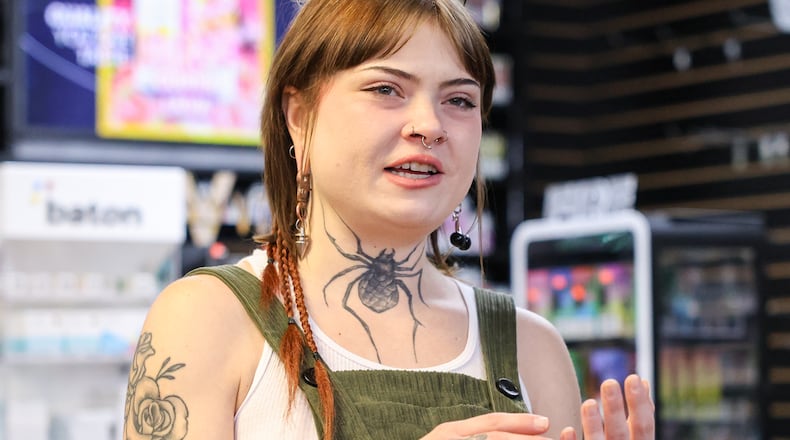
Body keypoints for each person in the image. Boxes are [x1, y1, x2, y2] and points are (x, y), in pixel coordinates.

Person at [123, 0, 655, 439]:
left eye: (460, 100)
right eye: (386, 89)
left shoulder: (531, 347)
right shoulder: (208, 319)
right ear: (300, 117)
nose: (429, 125)